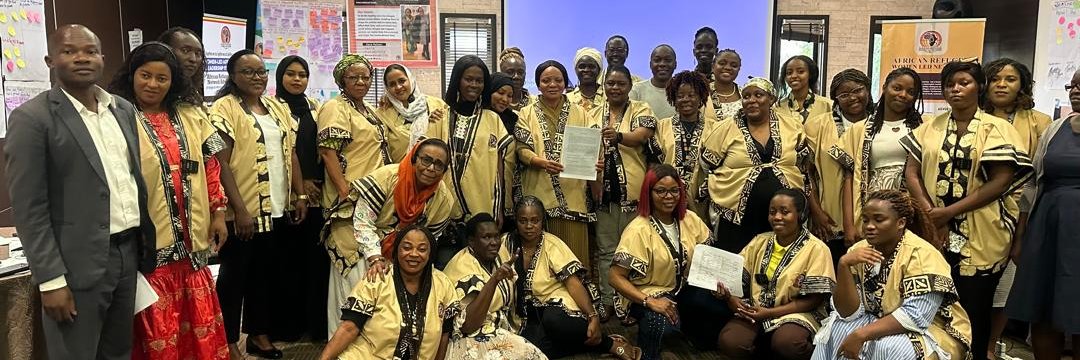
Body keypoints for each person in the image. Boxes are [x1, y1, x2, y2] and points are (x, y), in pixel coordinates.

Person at [5, 24, 155, 360]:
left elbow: (131, 181)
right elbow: (30, 209)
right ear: (50, 60)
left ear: (103, 57)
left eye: (89, 51)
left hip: (126, 254)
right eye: (69, 52)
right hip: (73, 267)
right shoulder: (32, 118)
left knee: (118, 352)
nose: (81, 58)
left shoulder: (122, 109)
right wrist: (50, 280)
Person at [901, 60, 1032, 360]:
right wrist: (933, 214)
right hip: (933, 228)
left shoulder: (997, 128)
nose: (956, 89)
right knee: (933, 301)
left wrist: (950, 213)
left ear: (979, 87)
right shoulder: (929, 127)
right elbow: (912, 172)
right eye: (950, 84)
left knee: (974, 306)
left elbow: (1001, 180)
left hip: (982, 231)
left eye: (964, 83)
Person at [106, 41, 229, 360]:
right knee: (156, 331)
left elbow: (211, 164)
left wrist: (218, 212)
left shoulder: (191, 114)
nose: (153, 84)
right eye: (145, 75)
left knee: (197, 322)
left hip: (193, 243)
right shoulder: (117, 117)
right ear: (132, 75)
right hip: (149, 248)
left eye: (162, 78)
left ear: (173, 81)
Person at [210, 48, 308, 359]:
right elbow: (221, 162)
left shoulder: (276, 107)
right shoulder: (223, 108)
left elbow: (290, 153)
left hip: (277, 208)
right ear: (233, 76)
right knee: (233, 280)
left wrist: (299, 194)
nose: (257, 77)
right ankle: (226, 343)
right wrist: (238, 210)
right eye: (248, 72)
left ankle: (258, 335)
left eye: (261, 72)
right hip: (244, 210)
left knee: (264, 275)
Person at [812, 190, 972, 360]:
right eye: (865, 220)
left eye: (879, 220)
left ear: (901, 223)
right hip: (878, 320)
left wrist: (861, 335)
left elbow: (915, 316)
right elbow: (848, 313)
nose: (869, 226)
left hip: (931, 329)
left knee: (888, 347)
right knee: (835, 330)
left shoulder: (921, 254)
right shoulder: (857, 251)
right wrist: (843, 265)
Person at [694, 77, 831, 254]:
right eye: (746, 96)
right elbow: (707, 166)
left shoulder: (791, 126)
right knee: (735, 267)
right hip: (737, 217)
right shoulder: (725, 128)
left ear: (771, 99)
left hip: (783, 217)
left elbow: (804, 169)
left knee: (779, 262)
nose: (752, 100)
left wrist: (814, 209)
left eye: (758, 95)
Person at [319, 55, 400, 338]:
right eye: (354, 77)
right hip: (349, 203)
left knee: (371, 270)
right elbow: (328, 152)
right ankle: (341, 344)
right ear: (342, 80)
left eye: (366, 77)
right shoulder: (335, 108)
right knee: (351, 271)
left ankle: (367, 344)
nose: (361, 82)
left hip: (373, 200)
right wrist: (345, 192)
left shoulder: (367, 111)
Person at [608, 165, 723, 359]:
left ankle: (691, 334)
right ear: (648, 193)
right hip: (648, 292)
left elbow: (710, 254)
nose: (668, 196)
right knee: (660, 322)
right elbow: (614, 277)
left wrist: (718, 286)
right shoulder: (638, 229)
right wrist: (650, 301)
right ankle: (645, 350)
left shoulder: (690, 219)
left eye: (674, 190)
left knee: (720, 306)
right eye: (660, 191)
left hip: (684, 288)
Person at [507, 196, 640, 360]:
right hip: (525, 314)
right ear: (516, 221)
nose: (529, 226)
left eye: (535, 220)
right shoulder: (506, 244)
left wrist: (592, 316)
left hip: (557, 306)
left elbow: (573, 284)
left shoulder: (552, 244)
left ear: (542, 221)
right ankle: (594, 342)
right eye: (523, 221)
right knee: (530, 350)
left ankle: (607, 343)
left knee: (553, 321)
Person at [1006, 68, 1080, 360]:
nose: (1075, 91)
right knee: (1043, 306)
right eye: (1072, 85)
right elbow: (1032, 183)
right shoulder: (1054, 129)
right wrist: (1021, 236)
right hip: (1048, 226)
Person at [980, 58, 1052, 358]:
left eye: (1010, 79)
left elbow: (1038, 174)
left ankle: (993, 344)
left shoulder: (1040, 122)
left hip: (1022, 213)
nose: (1001, 85)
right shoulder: (974, 117)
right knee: (979, 283)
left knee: (1009, 283)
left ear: (1022, 84)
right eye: (995, 79)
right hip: (979, 212)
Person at [716, 189, 835, 360]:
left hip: (796, 313)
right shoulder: (760, 241)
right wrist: (731, 299)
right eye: (772, 212)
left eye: (785, 212)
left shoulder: (817, 249)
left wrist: (770, 313)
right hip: (755, 310)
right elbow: (734, 279)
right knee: (730, 341)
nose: (777, 217)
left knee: (788, 344)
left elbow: (814, 300)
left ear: (800, 215)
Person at [319, 225, 462, 360]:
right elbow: (349, 328)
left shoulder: (443, 284)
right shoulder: (377, 279)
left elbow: (444, 334)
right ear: (396, 251)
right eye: (406, 248)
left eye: (422, 249)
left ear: (430, 254)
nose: (413, 254)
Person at [514, 60, 600, 275]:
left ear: (565, 82)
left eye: (558, 80)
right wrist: (538, 161)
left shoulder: (581, 113)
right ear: (538, 84)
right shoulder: (526, 113)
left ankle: (577, 305)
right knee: (541, 263)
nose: (552, 84)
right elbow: (521, 149)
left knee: (574, 259)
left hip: (573, 196)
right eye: (546, 80)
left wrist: (596, 162)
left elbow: (593, 145)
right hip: (539, 194)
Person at [830, 67, 924, 264]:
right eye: (897, 88)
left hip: (911, 209)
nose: (903, 95)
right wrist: (849, 225)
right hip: (873, 208)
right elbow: (849, 178)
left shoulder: (925, 127)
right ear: (884, 87)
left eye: (910, 91)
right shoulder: (860, 130)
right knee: (871, 267)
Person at [428, 55, 514, 267]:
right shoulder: (440, 116)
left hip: (483, 205)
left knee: (482, 271)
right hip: (444, 210)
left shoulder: (492, 119)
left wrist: (500, 209)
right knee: (445, 268)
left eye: (479, 80)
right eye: (469, 79)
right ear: (458, 79)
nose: (474, 85)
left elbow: (500, 168)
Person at [592, 64, 659, 320]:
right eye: (610, 83)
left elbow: (642, 136)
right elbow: (586, 152)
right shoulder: (592, 114)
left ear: (630, 86)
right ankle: (608, 302)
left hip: (633, 196)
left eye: (621, 84)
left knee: (633, 253)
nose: (615, 88)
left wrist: (617, 136)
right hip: (603, 196)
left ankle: (631, 305)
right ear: (604, 87)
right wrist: (592, 182)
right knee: (607, 250)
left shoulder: (642, 109)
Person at [273, 54, 330, 341]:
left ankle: (315, 325)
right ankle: (289, 327)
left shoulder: (315, 107)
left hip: (318, 197)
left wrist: (313, 184)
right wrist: (300, 189)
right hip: (287, 198)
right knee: (288, 263)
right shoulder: (272, 108)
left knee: (315, 263)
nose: (297, 79)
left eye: (302, 75)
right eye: (291, 74)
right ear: (280, 77)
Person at [442, 213, 547, 359]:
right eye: (486, 237)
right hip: (471, 337)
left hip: (503, 327)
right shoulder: (463, 268)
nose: (494, 242)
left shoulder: (498, 253)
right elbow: (468, 325)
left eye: (496, 236)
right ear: (472, 241)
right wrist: (494, 280)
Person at [804, 69, 872, 264]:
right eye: (844, 94)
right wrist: (816, 212)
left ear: (867, 90)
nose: (852, 98)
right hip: (828, 219)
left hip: (871, 219)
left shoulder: (878, 126)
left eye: (858, 90)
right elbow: (805, 173)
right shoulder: (816, 127)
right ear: (835, 99)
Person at [654, 70, 711, 210]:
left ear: (701, 97)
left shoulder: (714, 128)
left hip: (702, 200)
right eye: (680, 96)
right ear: (673, 98)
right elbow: (655, 163)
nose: (686, 99)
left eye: (691, 95)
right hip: (667, 199)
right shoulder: (662, 126)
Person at [376, 63, 447, 160]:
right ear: (387, 89)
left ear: (410, 80)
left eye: (402, 81)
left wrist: (428, 122)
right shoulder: (383, 114)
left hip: (433, 171)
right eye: (392, 84)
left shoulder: (435, 105)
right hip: (397, 172)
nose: (398, 87)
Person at [776, 56, 833, 124]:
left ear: (810, 74)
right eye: (789, 73)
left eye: (800, 72)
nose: (793, 76)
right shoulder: (777, 107)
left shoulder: (828, 105)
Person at [629, 44, 677, 120]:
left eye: (667, 60)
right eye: (657, 60)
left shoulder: (683, 92)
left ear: (675, 64)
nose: (662, 64)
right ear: (650, 65)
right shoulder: (636, 90)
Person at [158, 27, 205, 102]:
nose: (193, 59)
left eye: (198, 54)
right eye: (185, 50)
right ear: (166, 51)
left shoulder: (194, 96)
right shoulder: (154, 94)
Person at [703, 49, 743, 123]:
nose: (728, 68)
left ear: (738, 70)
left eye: (734, 65)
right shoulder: (701, 92)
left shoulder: (745, 94)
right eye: (722, 63)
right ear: (713, 67)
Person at [567, 47, 606, 112]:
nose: (586, 70)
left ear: (599, 70)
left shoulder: (608, 98)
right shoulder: (567, 99)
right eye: (582, 67)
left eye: (591, 67)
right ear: (576, 70)